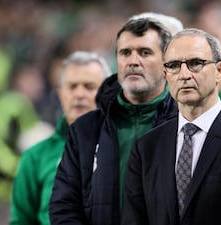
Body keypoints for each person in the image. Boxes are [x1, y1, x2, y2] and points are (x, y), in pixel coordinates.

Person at [121, 28, 221, 225]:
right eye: (174, 65)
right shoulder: (146, 147)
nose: (184, 74)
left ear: (220, 71)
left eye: (195, 63)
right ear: (165, 74)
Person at [49, 18, 177, 225]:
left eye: (145, 52)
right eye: (125, 53)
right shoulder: (85, 130)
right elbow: (64, 205)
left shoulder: (189, 125)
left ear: (166, 63)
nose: (133, 61)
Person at [9, 51, 111, 225]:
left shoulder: (127, 148)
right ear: (60, 95)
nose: (79, 94)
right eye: (72, 87)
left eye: (89, 86)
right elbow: (21, 220)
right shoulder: (35, 157)